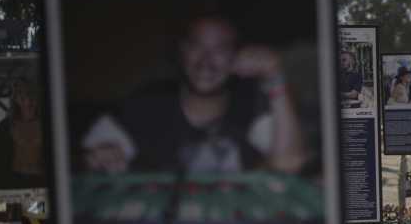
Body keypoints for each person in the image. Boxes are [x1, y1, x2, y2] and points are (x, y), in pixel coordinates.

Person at [82, 15, 307, 175]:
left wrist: (275, 77)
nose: (205, 62)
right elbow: (92, 154)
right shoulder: (146, 103)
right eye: (196, 47)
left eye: (219, 50)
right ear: (182, 52)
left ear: (237, 58)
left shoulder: (249, 104)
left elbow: (288, 164)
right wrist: (101, 156)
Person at [0, 76, 44, 187]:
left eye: (31, 94)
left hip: (41, 180)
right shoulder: (6, 126)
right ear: (15, 98)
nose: (27, 99)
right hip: (14, 180)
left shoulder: (48, 124)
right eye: (21, 94)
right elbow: (1, 158)